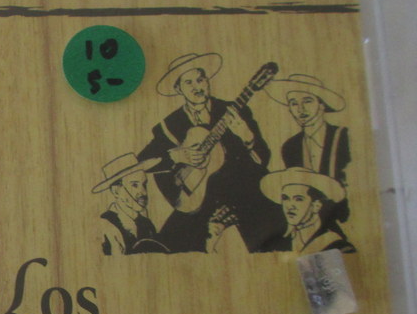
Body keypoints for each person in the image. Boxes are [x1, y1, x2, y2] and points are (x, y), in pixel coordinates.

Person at [138, 52, 281, 252]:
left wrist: (247, 137)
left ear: (207, 81)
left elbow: (263, 158)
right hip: (198, 199)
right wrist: (178, 155)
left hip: (243, 193)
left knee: (274, 236)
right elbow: (142, 162)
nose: (197, 87)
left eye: (200, 79)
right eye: (188, 82)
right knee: (168, 247)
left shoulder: (234, 110)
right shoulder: (169, 125)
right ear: (178, 89)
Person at [267, 72, 350, 220]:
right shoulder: (290, 147)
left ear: (322, 105)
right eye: (293, 103)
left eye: (307, 101)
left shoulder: (343, 137)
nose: (300, 109)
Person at [259, 167, 354, 254]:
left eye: (298, 199)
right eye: (285, 198)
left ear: (316, 205)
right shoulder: (276, 244)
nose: (290, 206)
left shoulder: (338, 247)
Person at [92, 153, 162, 254]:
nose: (144, 192)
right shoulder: (105, 225)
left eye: (144, 185)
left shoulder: (147, 224)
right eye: (134, 185)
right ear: (116, 191)